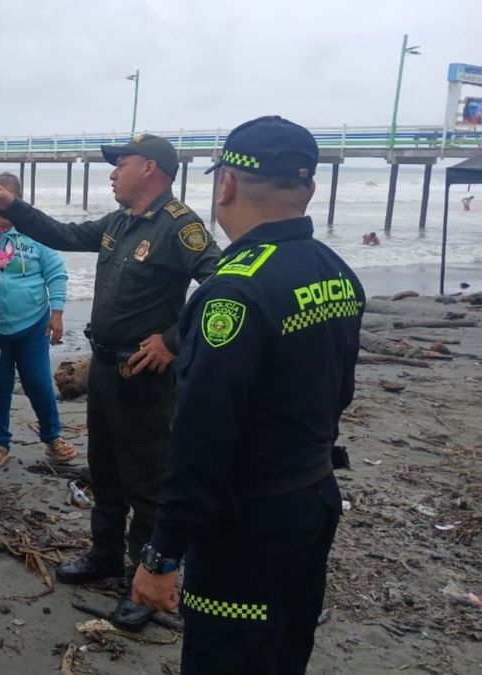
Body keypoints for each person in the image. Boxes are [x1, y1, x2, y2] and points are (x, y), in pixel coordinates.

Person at [132, 115, 363, 674]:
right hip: (311, 500)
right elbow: (340, 392)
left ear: (226, 185)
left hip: (246, 525)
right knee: (286, 648)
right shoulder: (337, 272)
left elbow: (201, 437)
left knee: (226, 654)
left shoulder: (232, 293)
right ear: (308, 189)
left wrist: (162, 554)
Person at [0, 134, 221, 631]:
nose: (111, 173)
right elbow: (64, 236)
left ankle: (145, 579)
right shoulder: (119, 222)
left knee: (146, 480)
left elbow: (221, 283)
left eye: (120, 164)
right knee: (104, 470)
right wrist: (15, 207)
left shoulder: (181, 227)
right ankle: (105, 554)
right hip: (106, 369)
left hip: (146, 376)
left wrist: (173, 340)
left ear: (149, 168)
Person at [0, 172, 77, 468]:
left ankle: (52, 438)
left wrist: (57, 313)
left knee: (38, 382)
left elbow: (56, 273)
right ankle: (0, 443)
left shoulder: (36, 234)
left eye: (10, 203)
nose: (4, 211)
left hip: (32, 325)